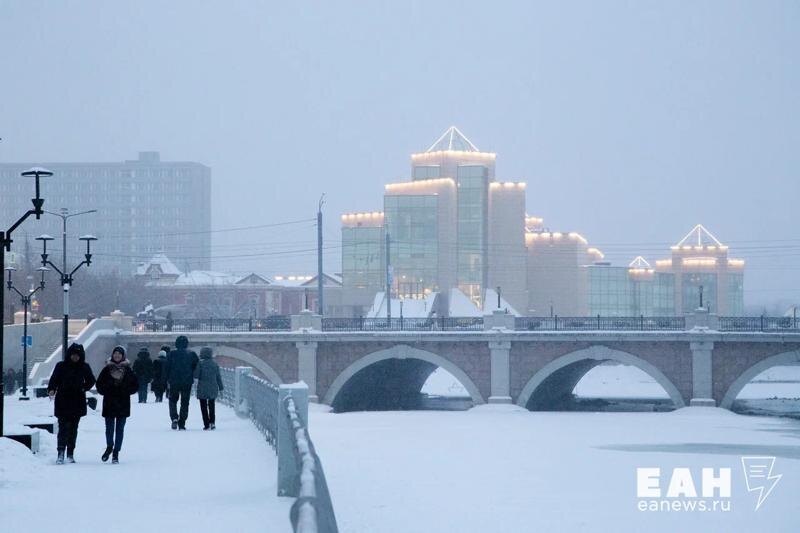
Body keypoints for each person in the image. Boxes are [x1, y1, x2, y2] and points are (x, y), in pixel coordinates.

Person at [47, 343, 96, 464]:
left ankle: (70, 453)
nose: (75, 357)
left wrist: (83, 388)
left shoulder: (84, 367)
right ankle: (60, 452)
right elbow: (54, 379)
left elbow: (91, 380)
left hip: (77, 401)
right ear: (69, 354)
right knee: (62, 427)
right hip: (62, 400)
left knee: (73, 428)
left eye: (78, 355)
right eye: (73, 355)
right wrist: (52, 389)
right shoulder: (61, 366)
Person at [95, 346, 139, 463]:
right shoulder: (107, 370)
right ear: (112, 355)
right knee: (109, 429)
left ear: (123, 356)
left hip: (123, 403)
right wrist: (108, 388)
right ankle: (109, 447)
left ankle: (116, 452)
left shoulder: (128, 370)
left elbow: (135, 385)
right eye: (115, 353)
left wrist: (125, 390)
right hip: (109, 402)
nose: (117, 356)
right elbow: (99, 385)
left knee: (120, 429)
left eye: (119, 354)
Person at [165, 335, 198, 430]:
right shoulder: (192, 354)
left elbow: (167, 368)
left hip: (174, 381)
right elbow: (195, 365)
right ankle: (182, 422)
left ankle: (174, 418)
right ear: (186, 344)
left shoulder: (171, 354)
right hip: (187, 381)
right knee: (185, 402)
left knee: (173, 400)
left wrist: (166, 379)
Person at [194, 347, 224, 430]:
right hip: (213, 387)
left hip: (202, 388)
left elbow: (196, 375)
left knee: (203, 406)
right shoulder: (215, 364)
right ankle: (212, 422)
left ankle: (206, 424)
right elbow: (218, 377)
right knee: (212, 405)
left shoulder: (200, 364)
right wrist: (221, 388)